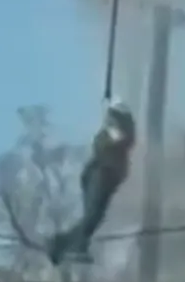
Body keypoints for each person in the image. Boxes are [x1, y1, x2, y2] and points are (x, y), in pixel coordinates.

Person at [48, 100, 137, 265]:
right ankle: (69, 245)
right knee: (91, 216)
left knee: (95, 217)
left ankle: (63, 245)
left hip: (108, 179)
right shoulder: (111, 132)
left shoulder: (118, 135)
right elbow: (108, 143)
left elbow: (125, 141)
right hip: (100, 174)